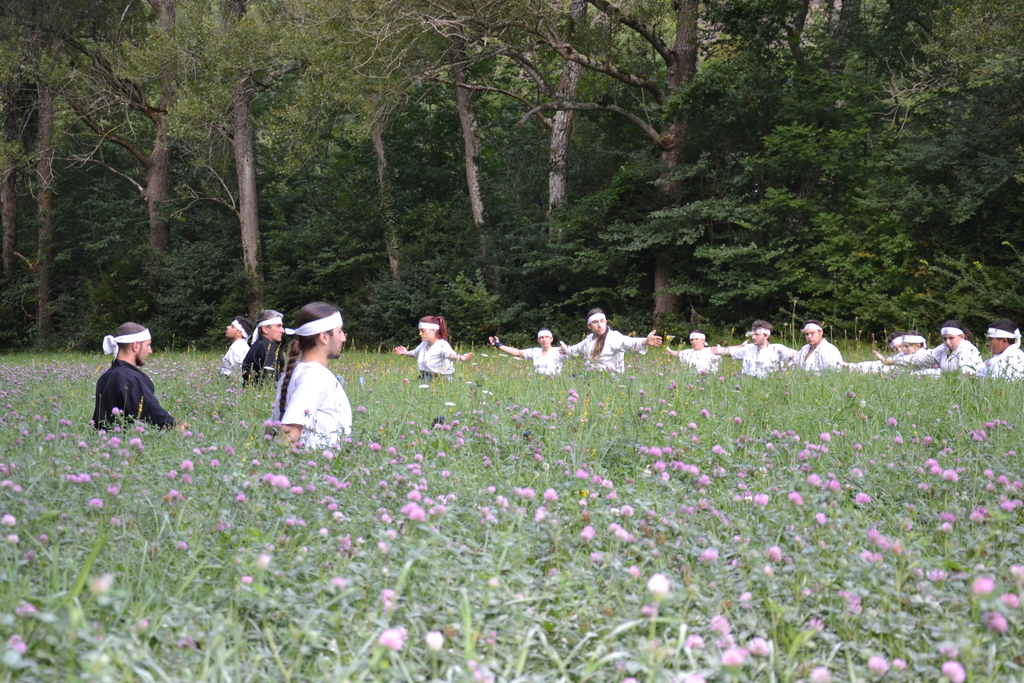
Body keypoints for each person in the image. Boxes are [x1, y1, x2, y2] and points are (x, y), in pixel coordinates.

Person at [270, 303, 352, 448]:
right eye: (339, 332)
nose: (343, 338)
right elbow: (288, 432)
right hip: (313, 466)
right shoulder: (315, 376)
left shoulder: (296, 370)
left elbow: (273, 426)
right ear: (324, 337)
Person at [92, 323, 178, 430]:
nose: (150, 351)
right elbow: (152, 415)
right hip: (130, 443)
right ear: (135, 345)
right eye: (147, 345)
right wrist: (175, 428)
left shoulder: (106, 376)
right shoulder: (130, 378)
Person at [559, 308, 662, 373]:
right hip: (590, 377)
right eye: (595, 322)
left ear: (606, 322)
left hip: (610, 380)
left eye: (602, 321)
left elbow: (629, 342)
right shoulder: (589, 340)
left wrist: (645, 341)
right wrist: (566, 349)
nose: (599, 325)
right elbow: (577, 350)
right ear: (589, 326)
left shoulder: (613, 337)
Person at [395, 316, 473, 380]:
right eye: (420, 331)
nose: (420, 334)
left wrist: (461, 357)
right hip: (426, 377)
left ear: (433, 330)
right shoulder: (423, 344)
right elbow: (415, 352)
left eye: (423, 331)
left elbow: (451, 355)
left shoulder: (442, 345)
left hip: (441, 379)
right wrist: (405, 352)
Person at [711, 320, 794, 378]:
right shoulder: (749, 348)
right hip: (748, 386)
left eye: (757, 334)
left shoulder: (777, 348)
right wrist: (717, 350)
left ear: (766, 335)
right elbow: (728, 352)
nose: (753, 337)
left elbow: (797, 355)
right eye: (753, 334)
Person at [488, 329, 563, 376]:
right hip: (538, 381)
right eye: (542, 337)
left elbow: (573, 353)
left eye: (547, 337)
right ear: (538, 340)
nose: (544, 340)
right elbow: (518, 352)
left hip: (554, 380)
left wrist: (567, 350)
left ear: (551, 339)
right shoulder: (535, 351)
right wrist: (499, 345)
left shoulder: (559, 351)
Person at [242, 309, 286, 386]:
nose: (282, 330)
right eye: (278, 326)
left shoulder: (259, 344)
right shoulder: (268, 348)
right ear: (265, 329)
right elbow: (270, 380)